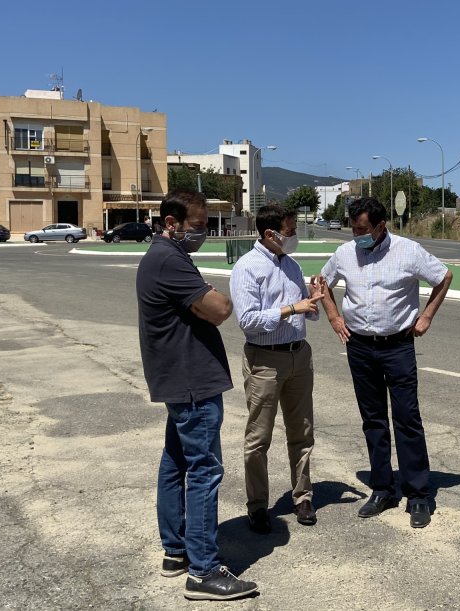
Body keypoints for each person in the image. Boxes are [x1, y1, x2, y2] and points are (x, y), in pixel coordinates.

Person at [136, 189, 258, 600]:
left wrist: (204, 297)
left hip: (179, 380)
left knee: (175, 464)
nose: (203, 233)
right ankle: (204, 571)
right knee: (205, 470)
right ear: (172, 223)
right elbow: (221, 309)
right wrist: (208, 295)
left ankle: (176, 551)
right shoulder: (169, 260)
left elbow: (207, 306)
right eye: (198, 226)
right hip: (192, 382)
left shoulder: (165, 256)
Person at [319, 197, 453, 529]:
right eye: (353, 228)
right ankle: (382, 489)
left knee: (407, 418)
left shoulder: (408, 251)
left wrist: (427, 316)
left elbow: (443, 277)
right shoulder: (345, 253)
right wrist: (334, 317)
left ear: (381, 226)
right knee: (373, 420)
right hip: (360, 346)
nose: (356, 235)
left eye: (362, 229)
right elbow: (321, 284)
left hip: (398, 346)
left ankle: (418, 494)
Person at [229, 204, 325, 534]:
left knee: (302, 432)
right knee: (259, 437)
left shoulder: (292, 265)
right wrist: (290, 308)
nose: (294, 235)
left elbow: (306, 312)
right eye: (290, 230)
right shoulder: (247, 267)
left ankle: (303, 496)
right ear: (270, 234)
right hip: (265, 360)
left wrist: (313, 302)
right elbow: (248, 320)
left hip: (299, 355)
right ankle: (257, 505)